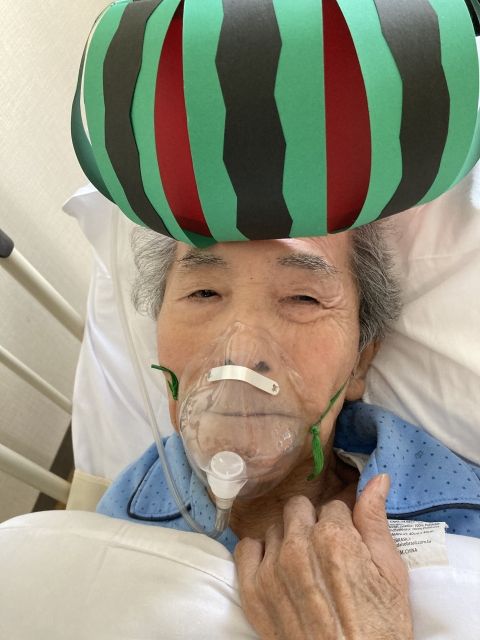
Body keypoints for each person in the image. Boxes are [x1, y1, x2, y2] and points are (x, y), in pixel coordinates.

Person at [96, 221, 480, 640]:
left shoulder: (461, 512)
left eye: (303, 298)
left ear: (360, 362)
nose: (240, 353)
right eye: (204, 292)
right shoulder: (119, 521)